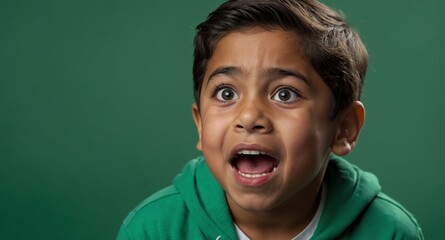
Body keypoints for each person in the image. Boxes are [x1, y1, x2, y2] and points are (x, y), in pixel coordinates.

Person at [117, 0, 424, 239]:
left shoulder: (391, 233)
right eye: (226, 93)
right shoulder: (152, 230)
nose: (249, 117)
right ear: (200, 124)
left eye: (285, 94)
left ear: (344, 128)